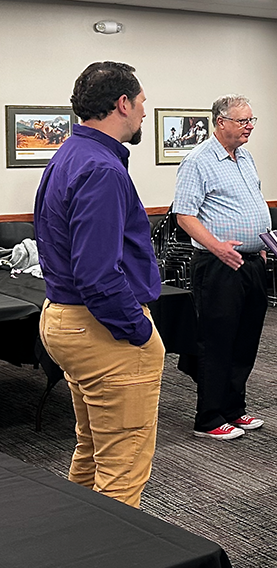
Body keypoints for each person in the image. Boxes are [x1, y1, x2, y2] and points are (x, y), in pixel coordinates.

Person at [34, 61, 164, 509]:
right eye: (143, 102)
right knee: (122, 472)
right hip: (101, 328)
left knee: (92, 453)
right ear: (122, 103)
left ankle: (76, 559)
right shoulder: (102, 169)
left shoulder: (69, 155)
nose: (145, 113)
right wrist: (141, 332)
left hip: (68, 321)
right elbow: (98, 275)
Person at [173, 94, 270, 440]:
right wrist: (217, 247)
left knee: (246, 340)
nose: (249, 127)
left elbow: (252, 205)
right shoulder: (198, 160)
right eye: (242, 121)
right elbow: (184, 214)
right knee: (217, 342)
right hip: (218, 265)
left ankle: (234, 409)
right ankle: (209, 417)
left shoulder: (245, 158)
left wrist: (262, 245)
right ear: (220, 122)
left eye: (251, 121)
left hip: (251, 263)